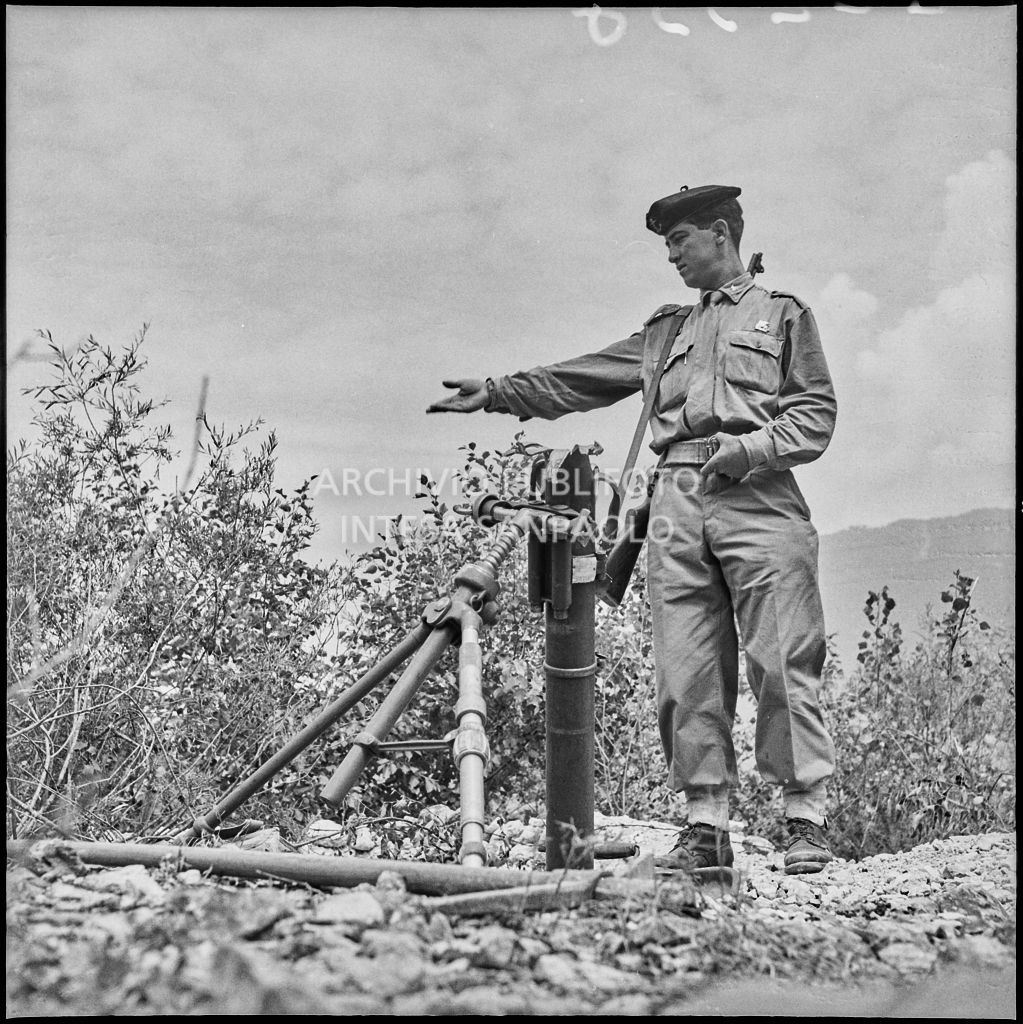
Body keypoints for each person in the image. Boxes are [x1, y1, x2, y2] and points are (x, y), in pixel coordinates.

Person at [427, 184, 837, 875]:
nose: (671, 255)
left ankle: (805, 820)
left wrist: (748, 450)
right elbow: (580, 378)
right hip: (674, 500)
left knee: (781, 657)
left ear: (719, 232)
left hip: (760, 496)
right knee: (685, 667)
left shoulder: (782, 314)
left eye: (679, 240)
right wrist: (496, 391)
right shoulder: (665, 332)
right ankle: (706, 827)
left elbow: (814, 414)